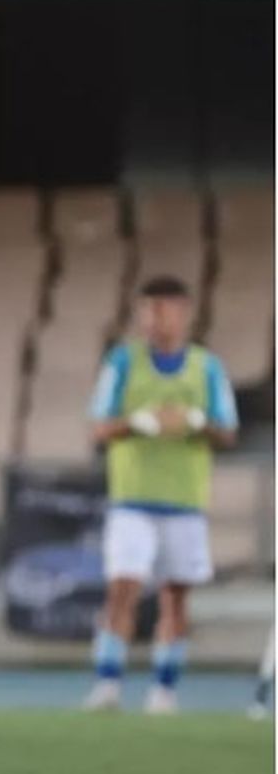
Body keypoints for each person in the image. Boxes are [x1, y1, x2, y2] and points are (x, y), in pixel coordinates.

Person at [82, 276, 238, 715]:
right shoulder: (123, 362)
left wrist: (192, 420)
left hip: (185, 501)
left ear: (184, 311)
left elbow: (227, 432)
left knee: (177, 595)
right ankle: (108, 684)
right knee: (122, 588)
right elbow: (99, 424)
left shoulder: (206, 367)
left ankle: (164, 690)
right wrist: (141, 422)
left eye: (164, 309)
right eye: (147, 309)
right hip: (132, 499)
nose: (155, 319)